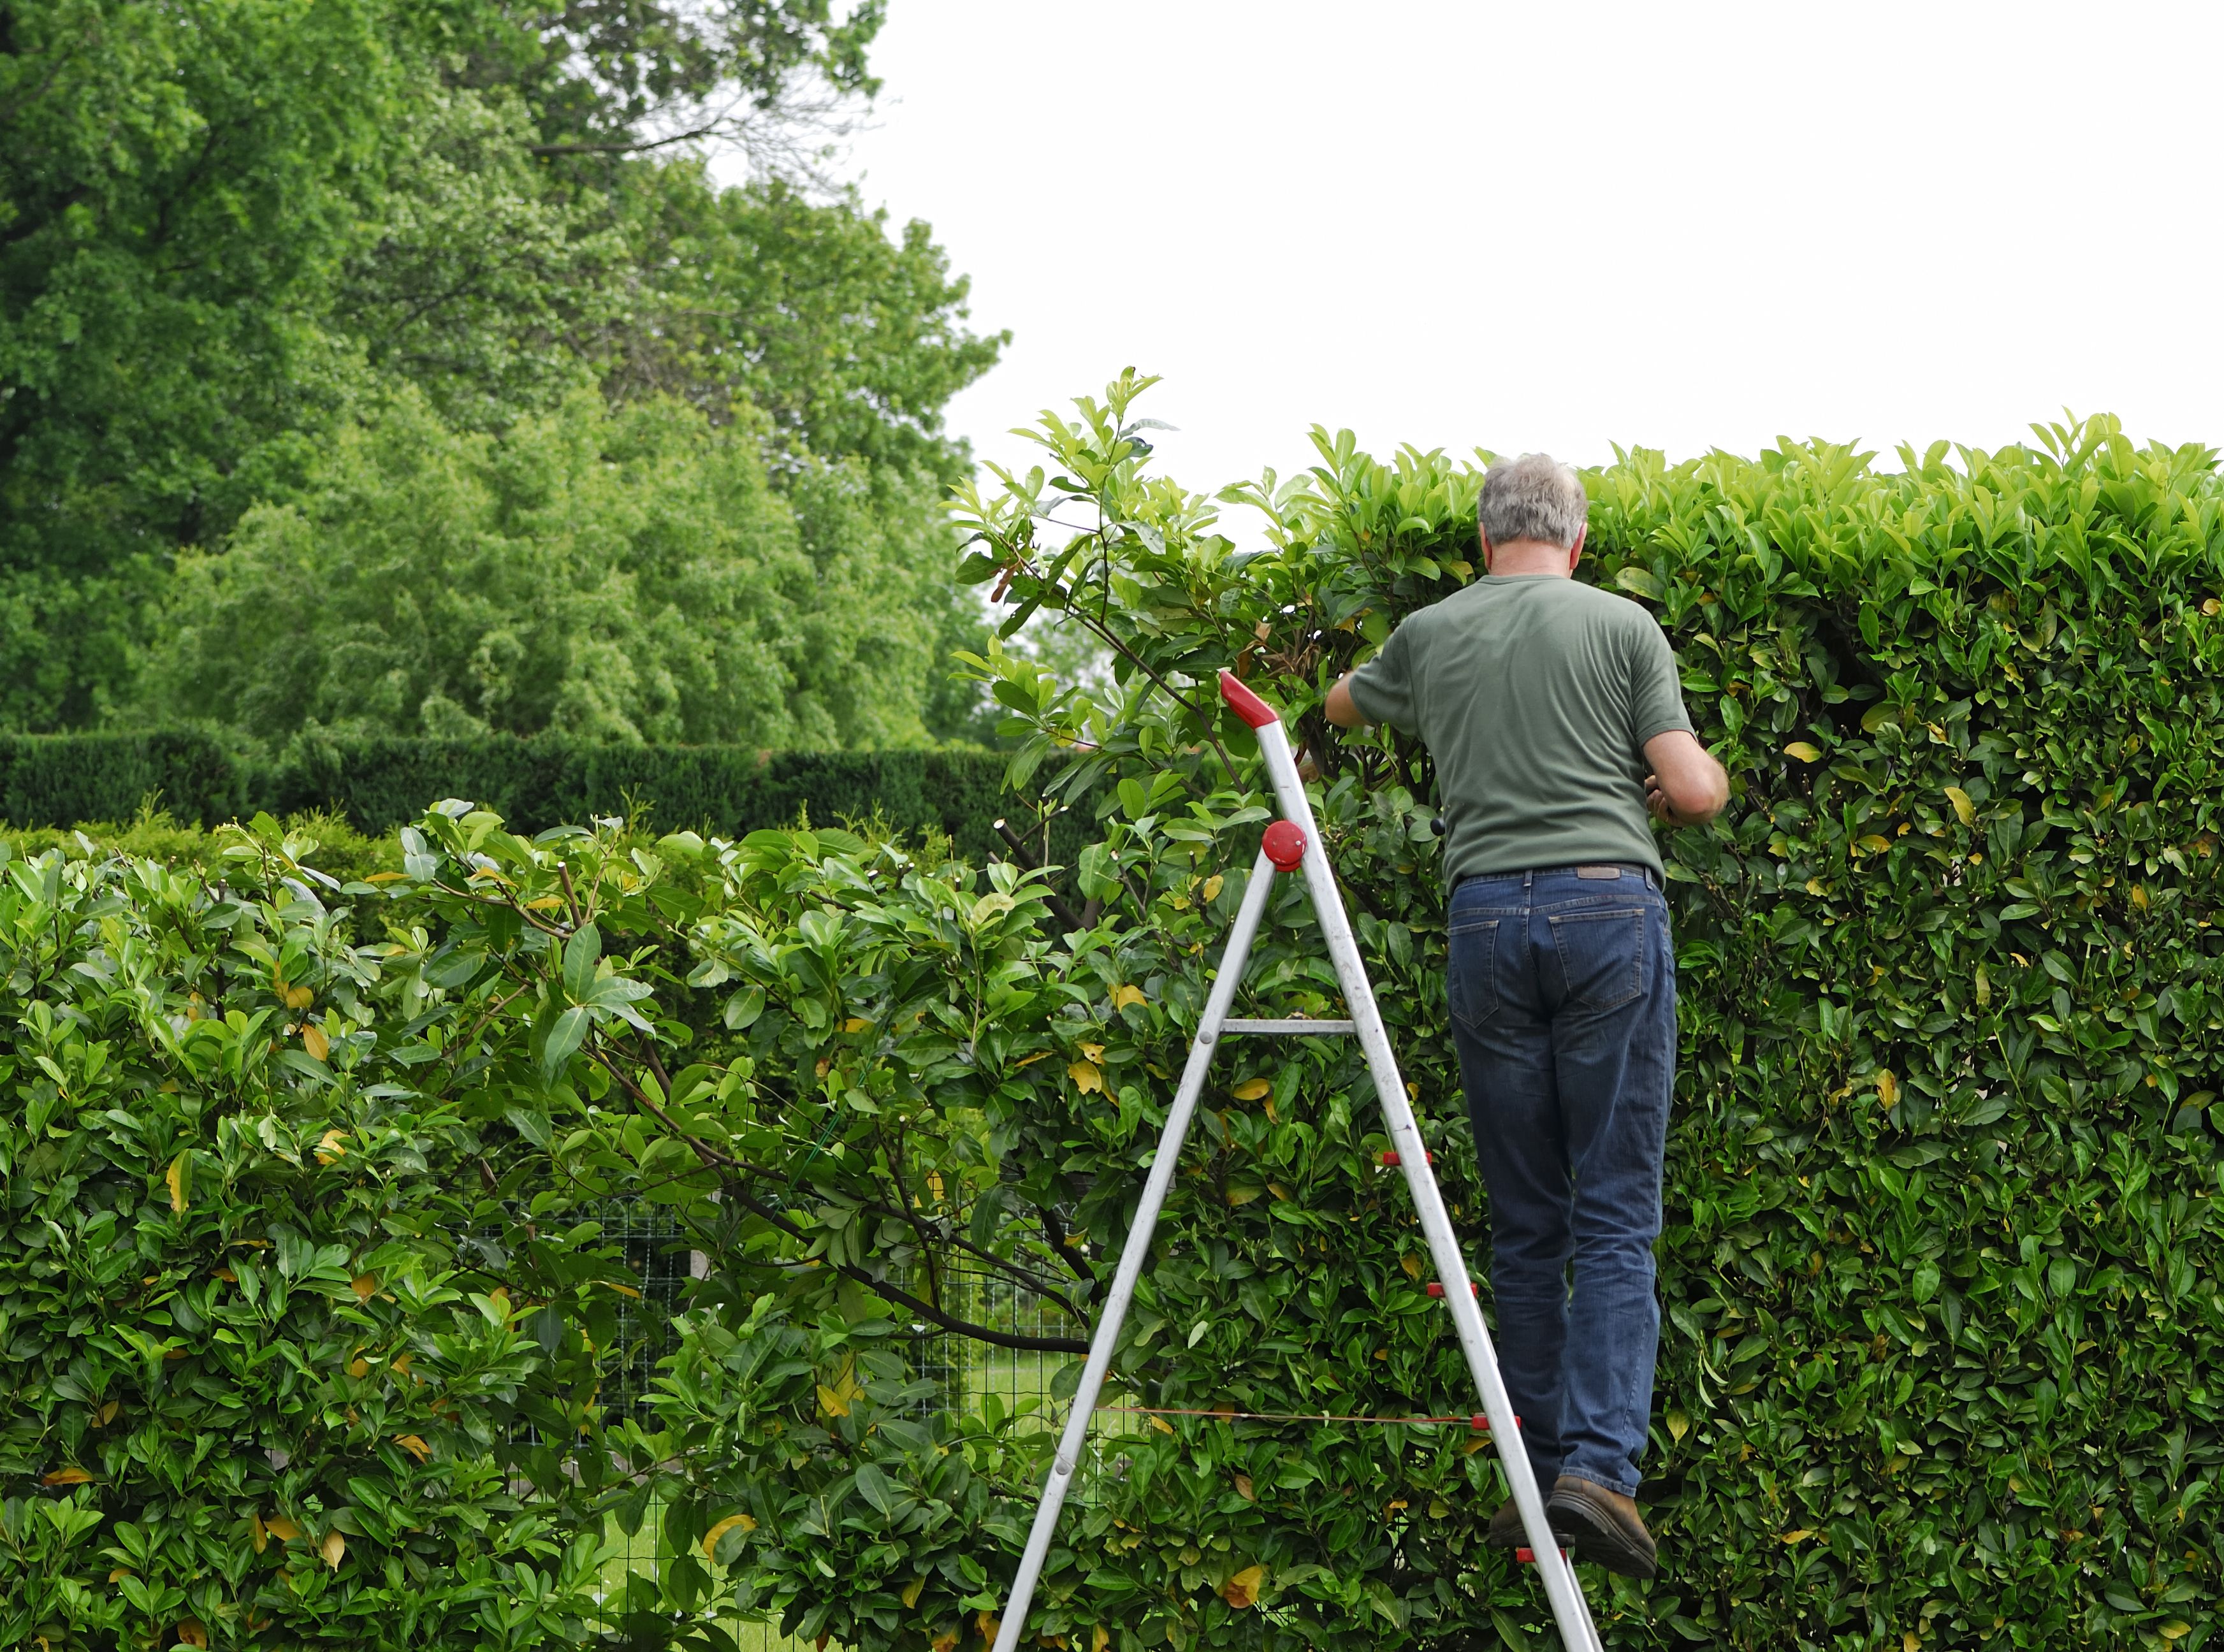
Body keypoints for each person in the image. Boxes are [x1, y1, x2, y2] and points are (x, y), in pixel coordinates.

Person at [1323, 452, 1726, 1579]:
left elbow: (1340, 704)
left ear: (1483, 539)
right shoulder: (1619, 628)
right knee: (1612, 1210)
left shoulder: (1432, 632)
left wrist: (1364, 681)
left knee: (1527, 1219)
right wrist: (1698, 781)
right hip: (1608, 910)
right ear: (1578, 540)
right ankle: (1596, 1474)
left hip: (1486, 920)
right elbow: (1690, 792)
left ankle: (1532, 1471)